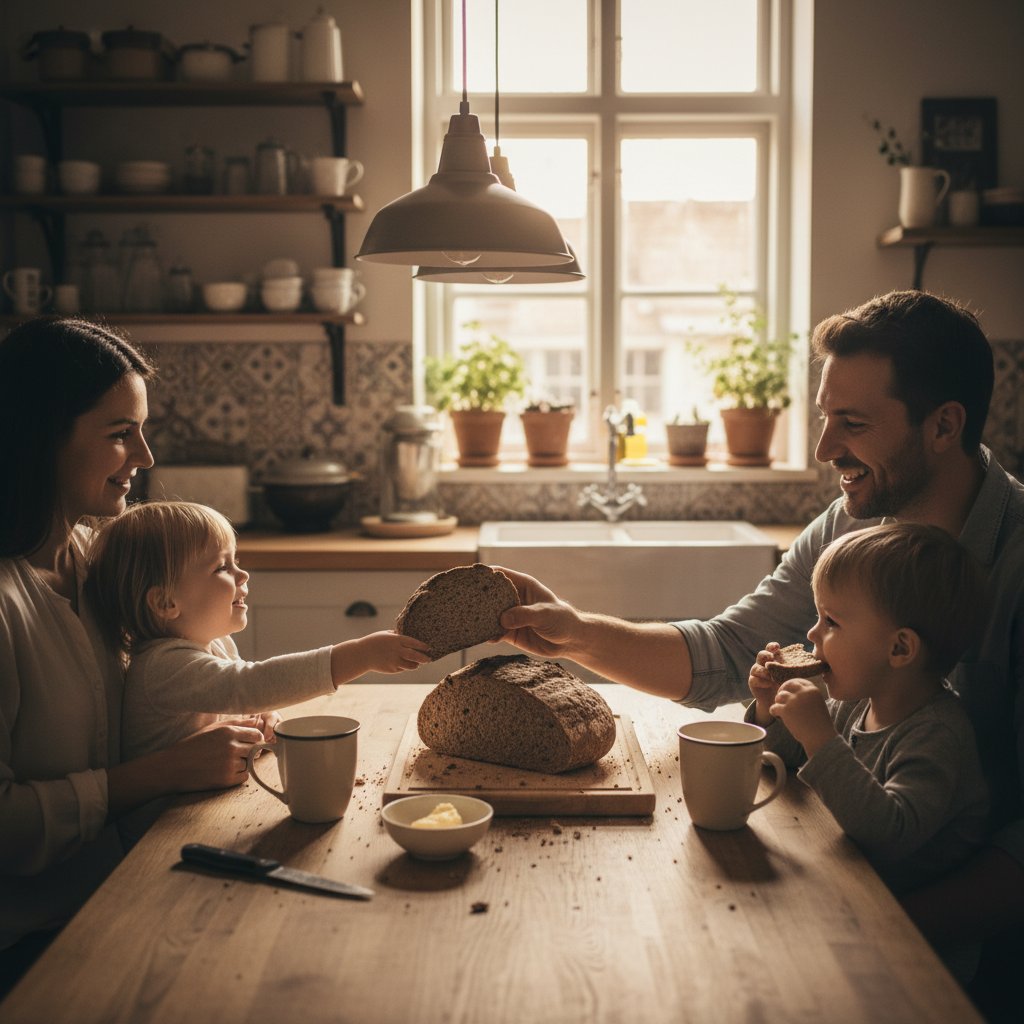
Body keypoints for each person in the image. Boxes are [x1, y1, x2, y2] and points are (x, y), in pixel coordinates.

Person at [498, 290, 1024, 1007]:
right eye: (823, 417)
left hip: (960, 958)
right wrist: (577, 632)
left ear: (943, 427)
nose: (823, 449)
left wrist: (874, 929)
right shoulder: (850, 525)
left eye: (853, 423)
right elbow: (723, 648)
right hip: (850, 895)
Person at [0, 318, 264, 997]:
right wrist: (159, 773)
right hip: (30, 946)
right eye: (121, 433)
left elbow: (168, 681)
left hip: (121, 895)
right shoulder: (6, 601)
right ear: (40, 438)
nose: (144, 455)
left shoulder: (99, 561)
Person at [747, 522, 989, 976]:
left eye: (832, 622)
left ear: (899, 648)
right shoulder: (852, 702)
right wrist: (769, 711)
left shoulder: (938, 736)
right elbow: (787, 759)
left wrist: (819, 735)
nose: (813, 635)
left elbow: (888, 834)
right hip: (849, 905)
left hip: (918, 961)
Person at [86, 499, 429, 769]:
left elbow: (242, 697)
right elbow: (246, 686)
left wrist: (261, 715)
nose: (242, 574)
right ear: (164, 602)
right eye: (222, 566)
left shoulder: (215, 644)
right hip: (157, 836)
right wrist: (360, 655)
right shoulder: (161, 668)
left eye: (236, 561)